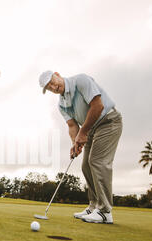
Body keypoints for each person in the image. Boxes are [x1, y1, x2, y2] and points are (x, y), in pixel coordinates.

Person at [39, 71, 122, 224]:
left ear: (57, 74)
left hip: (108, 121)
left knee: (97, 161)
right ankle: (94, 206)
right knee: (86, 166)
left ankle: (105, 211)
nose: (53, 87)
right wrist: (75, 143)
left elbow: (98, 106)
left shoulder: (81, 81)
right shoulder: (61, 104)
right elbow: (72, 125)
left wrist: (82, 133)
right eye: (49, 87)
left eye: (52, 82)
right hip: (91, 129)